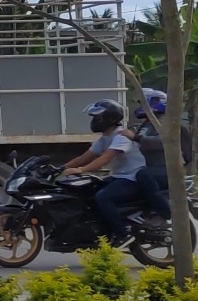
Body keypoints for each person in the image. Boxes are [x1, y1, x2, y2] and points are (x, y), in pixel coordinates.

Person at [60, 99, 149, 244]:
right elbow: (84, 157)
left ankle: (123, 234)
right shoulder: (105, 137)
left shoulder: (121, 136)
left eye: (98, 118)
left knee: (103, 197)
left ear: (111, 119)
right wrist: (59, 168)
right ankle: (101, 231)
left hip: (133, 178)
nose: (94, 121)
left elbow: (105, 158)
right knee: (87, 191)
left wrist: (80, 170)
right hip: (119, 177)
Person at [132, 89, 192, 218]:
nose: (140, 107)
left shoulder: (166, 122)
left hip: (168, 168)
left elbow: (164, 141)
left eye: (143, 104)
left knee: (144, 176)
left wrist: (136, 138)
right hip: (154, 166)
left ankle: (164, 210)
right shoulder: (149, 122)